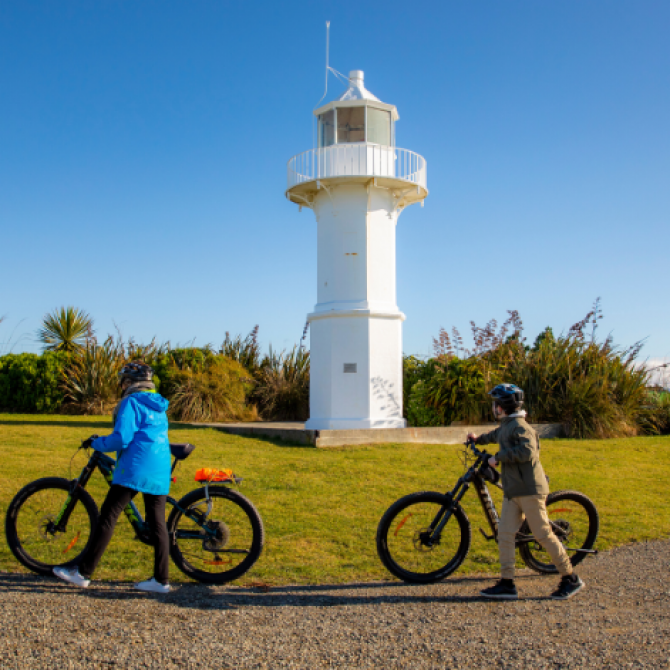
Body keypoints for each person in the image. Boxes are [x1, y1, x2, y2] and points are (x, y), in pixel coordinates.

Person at [53, 362, 172, 594]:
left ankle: (83, 573)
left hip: (135, 468)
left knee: (108, 516)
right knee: (158, 523)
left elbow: (121, 439)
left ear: (129, 383)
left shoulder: (131, 402)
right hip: (159, 467)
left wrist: (96, 442)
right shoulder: (159, 404)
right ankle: (161, 580)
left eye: (123, 380)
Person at [467, 384, 584, 601]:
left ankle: (571, 578)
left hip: (530, 490)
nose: (493, 407)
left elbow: (527, 450)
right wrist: (477, 440)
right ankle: (507, 583)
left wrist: (498, 458)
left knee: (542, 534)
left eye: (495, 404)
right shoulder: (507, 425)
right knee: (505, 533)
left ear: (502, 407)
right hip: (514, 491)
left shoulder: (521, 426)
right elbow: (496, 436)